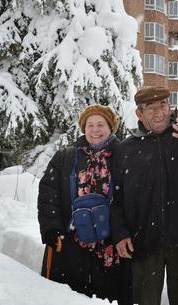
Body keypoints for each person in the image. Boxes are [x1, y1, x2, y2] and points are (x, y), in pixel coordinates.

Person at [110, 87, 178, 305]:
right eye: (150, 108)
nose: (158, 112)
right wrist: (120, 233)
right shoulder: (126, 149)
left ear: (169, 107)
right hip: (143, 242)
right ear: (139, 114)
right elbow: (117, 197)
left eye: (162, 105)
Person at [38, 104, 126, 303]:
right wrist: (51, 229)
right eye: (90, 125)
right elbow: (48, 194)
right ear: (83, 128)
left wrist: (126, 233)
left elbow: (131, 197)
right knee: (68, 296)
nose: (95, 130)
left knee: (107, 297)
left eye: (101, 124)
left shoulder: (123, 157)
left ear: (111, 127)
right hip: (70, 243)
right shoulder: (65, 157)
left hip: (110, 243)